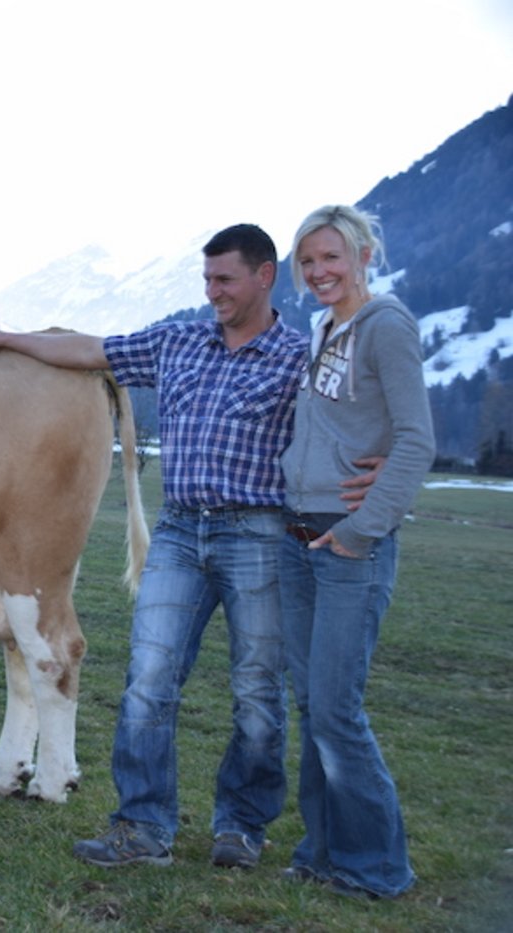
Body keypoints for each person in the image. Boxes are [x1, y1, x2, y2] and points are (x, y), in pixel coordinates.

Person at [0, 224, 308, 870]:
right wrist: (9, 338)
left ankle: (241, 825)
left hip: (259, 534)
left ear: (266, 276)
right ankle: (142, 826)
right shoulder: (179, 340)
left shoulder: (298, 357)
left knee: (257, 688)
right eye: (206, 280)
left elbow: (342, 424)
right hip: (180, 533)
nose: (213, 293)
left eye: (225, 279)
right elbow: (93, 351)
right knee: (149, 680)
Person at [279, 205, 434, 899]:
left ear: (364, 253)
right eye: (307, 261)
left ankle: (377, 867)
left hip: (349, 546)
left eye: (331, 257)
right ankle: (322, 848)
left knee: (338, 707)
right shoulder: (325, 329)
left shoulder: (386, 325)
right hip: (300, 535)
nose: (318, 272)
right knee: (314, 705)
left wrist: (363, 525)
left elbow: (416, 439)